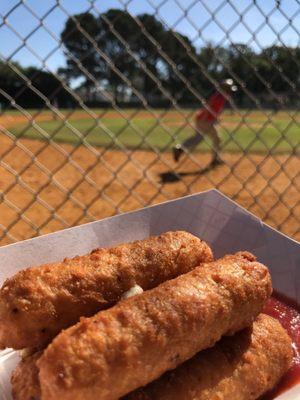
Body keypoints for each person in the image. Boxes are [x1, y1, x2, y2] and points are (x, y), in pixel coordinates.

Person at [173, 79, 237, 166]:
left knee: (198, 138)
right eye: (229, 89)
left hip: (205, 119)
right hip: (205, 120)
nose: (230, 92)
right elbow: (208, 106)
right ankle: (215, 160)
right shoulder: (218, 96)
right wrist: (205, 118)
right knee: (216, 139)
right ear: (225, 89)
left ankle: (180, 148)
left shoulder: (222, 96)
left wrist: (215, 118)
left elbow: (215, 109)